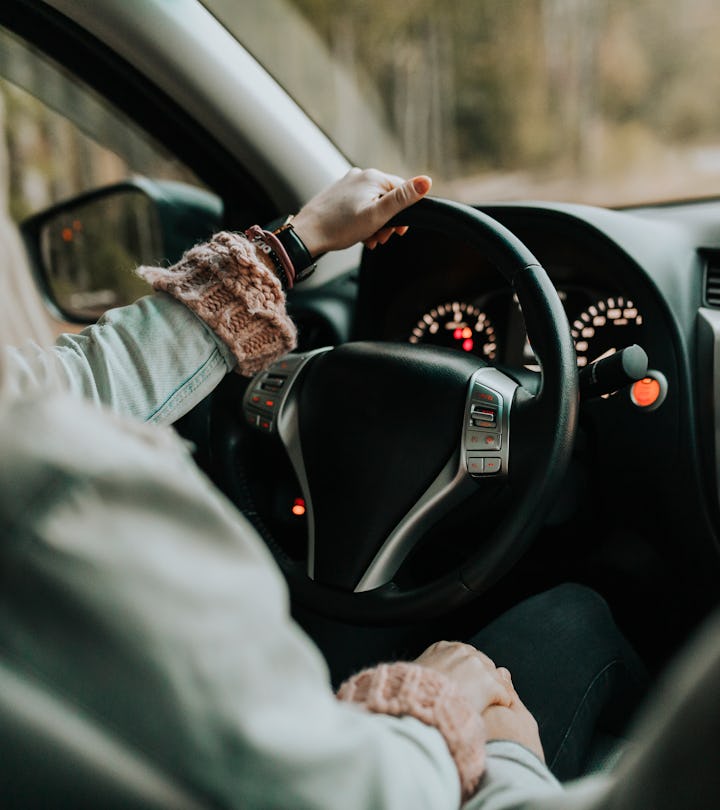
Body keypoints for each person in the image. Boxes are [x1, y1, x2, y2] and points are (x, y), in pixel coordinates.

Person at [0, 167, 696, 809]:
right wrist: (441, 712)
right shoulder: (61, 499)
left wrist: (291, 244)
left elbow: (59, 386)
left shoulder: (34, 453)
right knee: (576, 618)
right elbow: (344, 795)